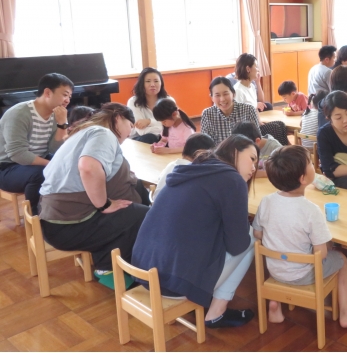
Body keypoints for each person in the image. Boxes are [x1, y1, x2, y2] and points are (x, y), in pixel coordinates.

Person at [132, 135, 258, 328]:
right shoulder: (232, 179)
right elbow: (238, 245)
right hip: (172, 284)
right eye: (252, 158)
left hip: (143, 272)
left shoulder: (192, 169)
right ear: (234, 151)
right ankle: (216, 312)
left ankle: (211, 303)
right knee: (250, 236)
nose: (254, 168)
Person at [253, 146, 347, 328]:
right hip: (302, 274)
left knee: (285, 249)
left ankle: (276, 304)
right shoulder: (310, 210)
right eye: (311, 164)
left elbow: (257, 234)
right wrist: (329, 245)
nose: (314, 165)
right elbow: (320, 254)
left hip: (275, 270)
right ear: (303, 179)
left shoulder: (266, 202)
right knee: (342, 260)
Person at [38, 103, 150, 284]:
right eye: (130, 125)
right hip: (69, 225)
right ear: (118, 117)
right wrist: (104, 205)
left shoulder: (83, 132)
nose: (130, 133)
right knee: (141, 214)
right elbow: (88, 167)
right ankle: (108, 269)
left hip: (56, 221)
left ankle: (109, 262)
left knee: (130, 208)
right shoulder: (103, 133)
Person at [0, 73, 73, 214]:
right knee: (40, 174)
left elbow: (54, 149)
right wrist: (51, 165)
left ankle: (62, 212)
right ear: (47, 92)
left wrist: (62, 124)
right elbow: (18, 154)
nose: (67, 100)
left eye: (70, 96)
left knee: (71, 163)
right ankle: (38, 218)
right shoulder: (19, 113)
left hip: (37, 161)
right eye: (65, 95)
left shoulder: (56, 115)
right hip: (7, 167)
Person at [153, 134, 215, 202]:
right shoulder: (193, 173)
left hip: (155, 204)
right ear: (200, 154)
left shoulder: (172, 164)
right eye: (209, 155)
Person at [201, 77, 260, 148]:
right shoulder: (207, 114)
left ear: (233, 94)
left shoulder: (248, 110)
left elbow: (257, 140)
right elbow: (206, 145)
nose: (222, 99)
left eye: (225, 94)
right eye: (217, 95)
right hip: (218, 155)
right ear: (212, 98)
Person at [127, 68, 170, 144]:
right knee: (150, 137)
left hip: (163, 137)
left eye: (156, 81)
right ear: (142, 84)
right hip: (139, 139)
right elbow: (141, 131)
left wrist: (149, 122)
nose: (152, 85)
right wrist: (162, 125)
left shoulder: (169, 100)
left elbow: (172, 124)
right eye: (148, 81)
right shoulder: (133, 102)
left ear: (161, 83)